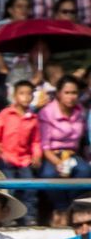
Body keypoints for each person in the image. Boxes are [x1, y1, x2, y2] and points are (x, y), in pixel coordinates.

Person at [36, 77, 90, 219]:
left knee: (84, 171)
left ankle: (71, 208)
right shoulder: (47, 112)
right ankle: (61, 210)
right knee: (48, 175)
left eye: (74, 93)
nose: (71, 97)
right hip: (52, 154)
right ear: (59, 93)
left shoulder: (81, 112)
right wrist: (58, 163)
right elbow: (45, 145)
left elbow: (83, 140)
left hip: (72, 155)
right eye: (67, 92)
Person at [0, 81, 42, 219]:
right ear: (15, 96)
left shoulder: (33, 118)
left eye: (29, 94)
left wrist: (37, 155)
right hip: (7, 158)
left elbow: (36, 141)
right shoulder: (6, 114)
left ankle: (29, 217)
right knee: (9, 188)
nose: (26, 97)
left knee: (30, 188)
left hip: (24, 159)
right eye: (22, 93)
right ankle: (8, 218)